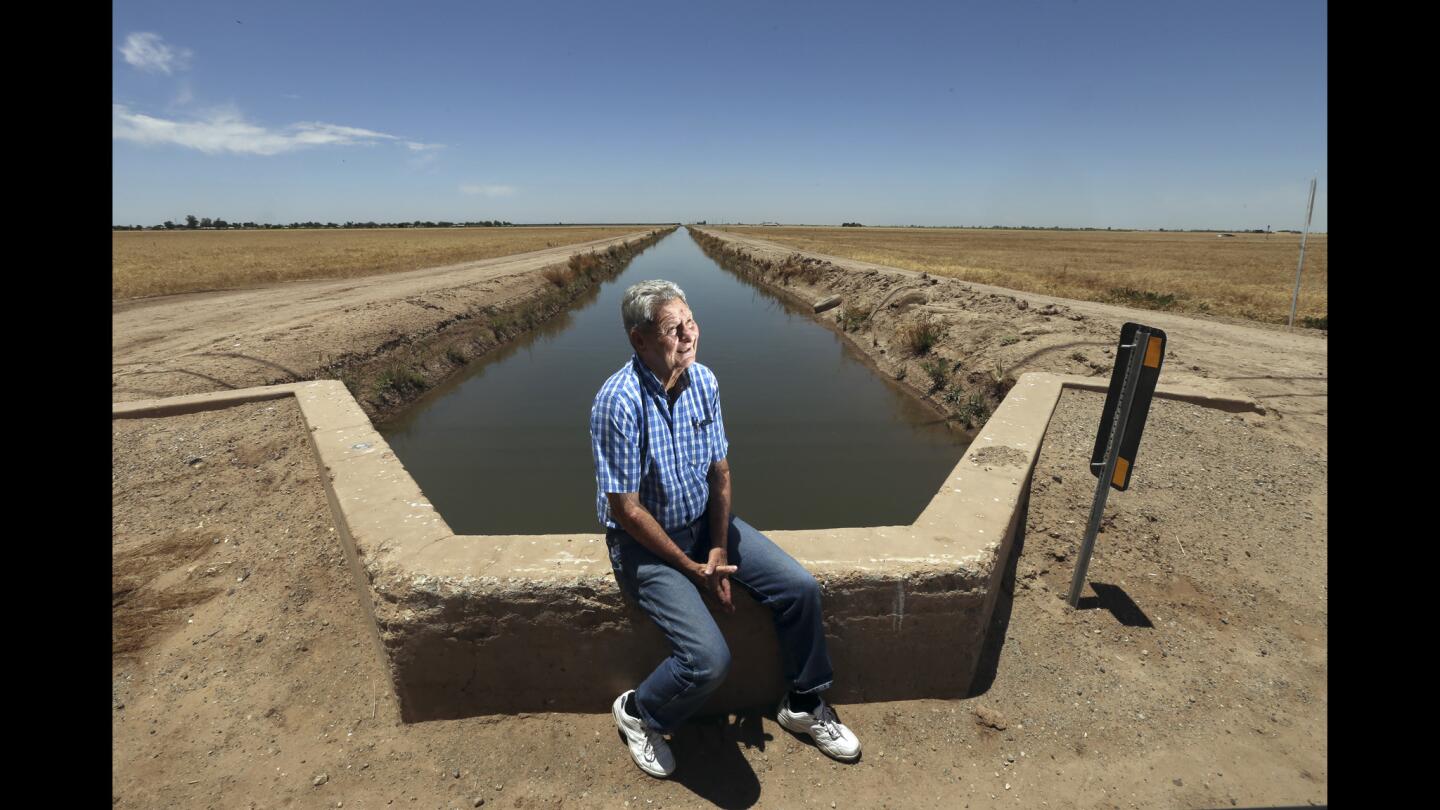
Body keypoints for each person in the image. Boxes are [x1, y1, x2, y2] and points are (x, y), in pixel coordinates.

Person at [589, 278, 862, 778]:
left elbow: (720, 473)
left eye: (691, 322)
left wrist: (716, 546)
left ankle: (803, 702)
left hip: (703, 528)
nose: (689, 334)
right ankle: (640, 713)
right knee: (708, 660)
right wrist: (693, 568)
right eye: (675, 328)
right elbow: (626, 509)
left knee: (799, 589)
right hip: (644, 546)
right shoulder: (618, 401)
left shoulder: (705, 382)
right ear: (640, 340)